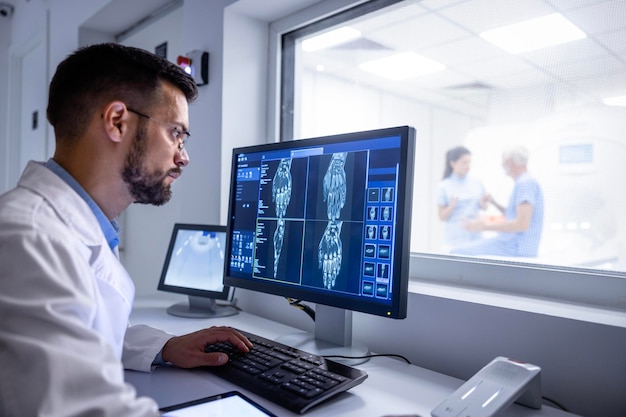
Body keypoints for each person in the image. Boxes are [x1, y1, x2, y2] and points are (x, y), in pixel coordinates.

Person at [0, 43, 253, 417]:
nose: (183, 156)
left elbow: (76, 335)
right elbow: (79, 408)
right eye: (175, 133)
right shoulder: (31, 238)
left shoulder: (75, 226)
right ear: (117, 121)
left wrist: (164, 347)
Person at [452, 145, 544, 257]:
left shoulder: (525, 183)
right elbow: (514, 215)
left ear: (509, 162)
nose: (502, 165)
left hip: (514, 247)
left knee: (456, 253)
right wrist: (493, 202)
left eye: (503, 162)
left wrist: (484, 226)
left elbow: (521, 224)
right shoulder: (525, 182)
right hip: (514, 245)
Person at [437, 146, 490, 250]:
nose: (467, 166)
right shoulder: (444, 186)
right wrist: (451, 206)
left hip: (476, 236)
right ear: (452, 163)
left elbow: (484, 207)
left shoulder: (477, 182)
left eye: (469, 162)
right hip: (455, 238)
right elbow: (442, 217)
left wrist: (483, 204)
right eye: (464, 162)